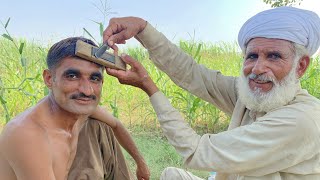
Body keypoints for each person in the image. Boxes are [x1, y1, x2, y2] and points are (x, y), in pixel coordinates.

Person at [101, 6, 320, 180]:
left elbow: (195, 151)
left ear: (300, 66)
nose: (257, 69)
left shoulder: (301, 121)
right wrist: (142, 29)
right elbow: (193, 74)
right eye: (252, 56)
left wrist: (149, 87)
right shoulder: (255, 96)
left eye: (273, 56)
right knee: (171, 175)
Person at [0, 37, 150, 180]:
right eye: (72, 76)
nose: (87, 90)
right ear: (49, 79)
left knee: (100, 125)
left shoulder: (81, 110)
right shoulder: (28, 135)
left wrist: (141, 163)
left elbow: (116, 125)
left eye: (94, 78)